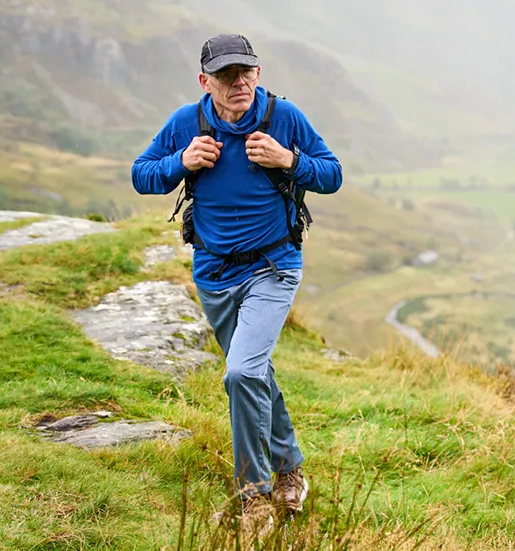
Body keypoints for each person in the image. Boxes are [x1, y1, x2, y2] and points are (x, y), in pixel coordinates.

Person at [132, 33, 342, 515]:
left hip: (274, 267)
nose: (238, 82)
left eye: (246, 72)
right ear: (205, 81)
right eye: (226, 75)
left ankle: (255, 495)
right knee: (254, 373)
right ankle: (290, 465)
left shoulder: (283, 118)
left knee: (241, 371)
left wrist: (288, 160)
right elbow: (141, 174)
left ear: (258, 74)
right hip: (213, 274)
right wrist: (179, 163)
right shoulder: (187, 123)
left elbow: (332, 174)